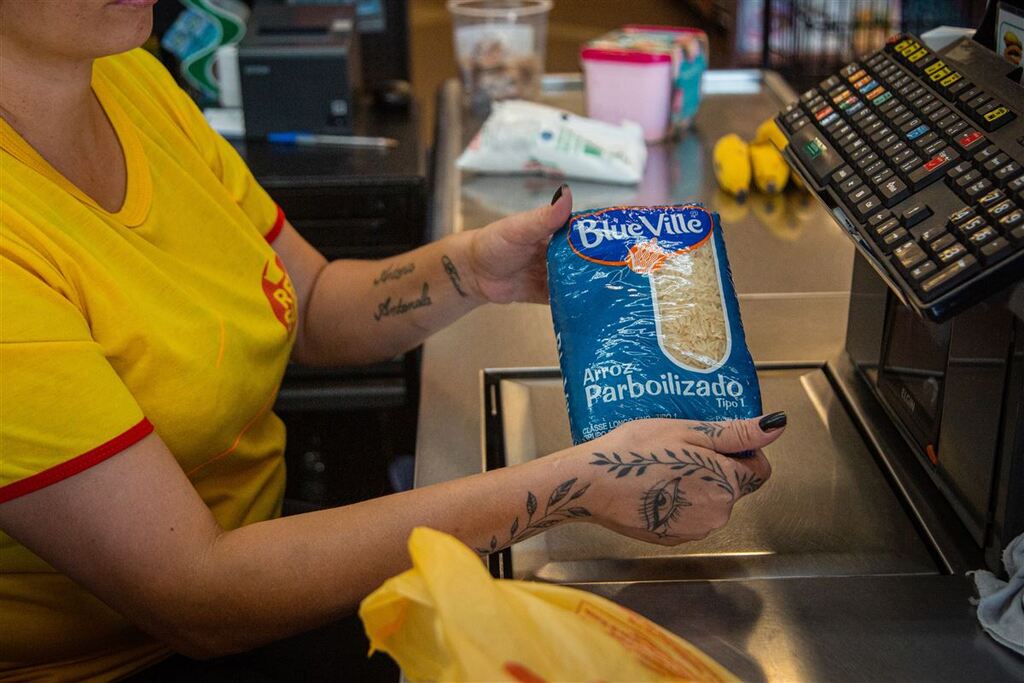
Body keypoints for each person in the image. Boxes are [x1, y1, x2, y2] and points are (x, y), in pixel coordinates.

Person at [0, 1, 784, 680]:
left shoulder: (128, 79)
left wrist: (475, 269)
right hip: (140, 657)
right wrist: (573, 486)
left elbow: (306, 299)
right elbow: (195, 599)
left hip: (270, 552)